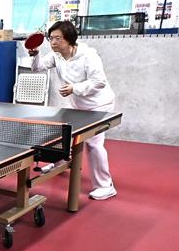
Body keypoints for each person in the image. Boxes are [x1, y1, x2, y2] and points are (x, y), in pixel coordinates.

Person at [21, 20, 117, 200]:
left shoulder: (89, 56)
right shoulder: (56, 55)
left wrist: (74, 88)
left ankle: (105, 186)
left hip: (99, 104)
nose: (53, 42)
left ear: (70, 39)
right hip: (77, 104)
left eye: (58, 38)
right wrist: (35, 55)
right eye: (51, 38)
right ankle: (59, 161)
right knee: (60, 131)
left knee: (93, 143)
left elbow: (99, 82)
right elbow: (38, 68)